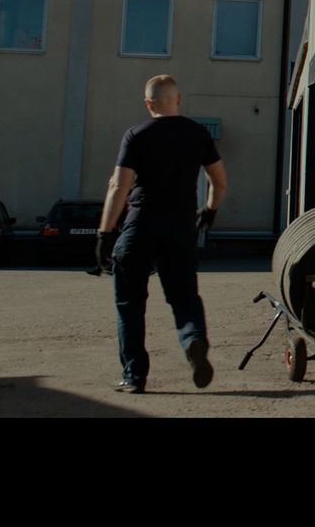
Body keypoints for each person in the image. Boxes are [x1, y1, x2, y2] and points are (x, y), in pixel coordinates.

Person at [96, 75, 226, 394]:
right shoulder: (198, 134)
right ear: (178, 100)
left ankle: (134, 375)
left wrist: (104, 232)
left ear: (148, 104)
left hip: (140, 226)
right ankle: (193, 339)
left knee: (129, 302)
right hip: (180, 228)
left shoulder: (136, 135)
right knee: (184, 296)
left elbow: (119, 185)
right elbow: (219, 180)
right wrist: (209, 210)